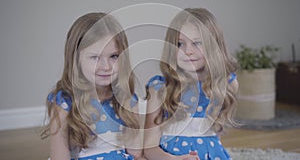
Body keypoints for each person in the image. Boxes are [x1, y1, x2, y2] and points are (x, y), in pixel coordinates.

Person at [41, 12, 144, 160]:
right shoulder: (64, 104)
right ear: (76, 59)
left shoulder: (127, 100)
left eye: (114, 56)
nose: (106, 66)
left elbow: (136, 155)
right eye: (95, 57)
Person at [143, 8, 239, 160]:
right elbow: (149, 148)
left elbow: (215, 137)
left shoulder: (225, 84)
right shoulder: (159, 88)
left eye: (197, 43)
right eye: (180, 44)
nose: (188, 51)